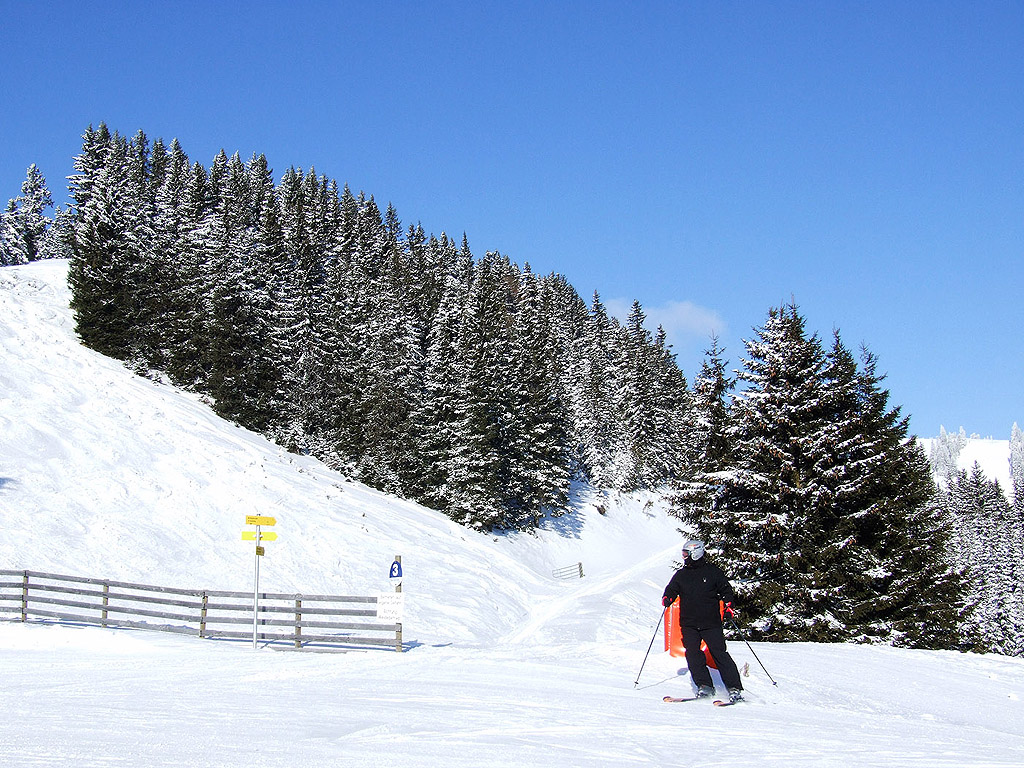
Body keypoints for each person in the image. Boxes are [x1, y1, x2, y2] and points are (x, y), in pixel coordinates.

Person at [662, 539, 744, 702]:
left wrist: (728, 606)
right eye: (683, 554)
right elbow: (671, 589)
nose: (684, 557)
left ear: (696, 553)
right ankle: (704, 686)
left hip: (710, 623)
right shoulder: (682, 574)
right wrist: (667, 597)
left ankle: (734, 688)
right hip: (689, 623)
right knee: (693, 654)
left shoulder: (713, 572)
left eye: (687, 554)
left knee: (719, 654)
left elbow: (726, 591)